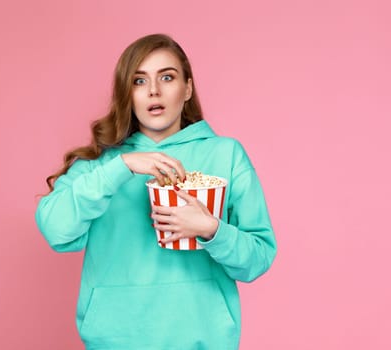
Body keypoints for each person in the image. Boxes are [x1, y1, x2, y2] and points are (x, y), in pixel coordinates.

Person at [35, 33, 277, 349]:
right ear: (127, 92)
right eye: (139, 81)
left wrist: (210, 229)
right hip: (115, 339)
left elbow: (258, 258)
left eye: (167, 77)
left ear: (187, 88)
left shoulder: (226, 155)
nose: (153, 90)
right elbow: (56, 231)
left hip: (203, 338)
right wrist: (121, 167)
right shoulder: (100, 164)